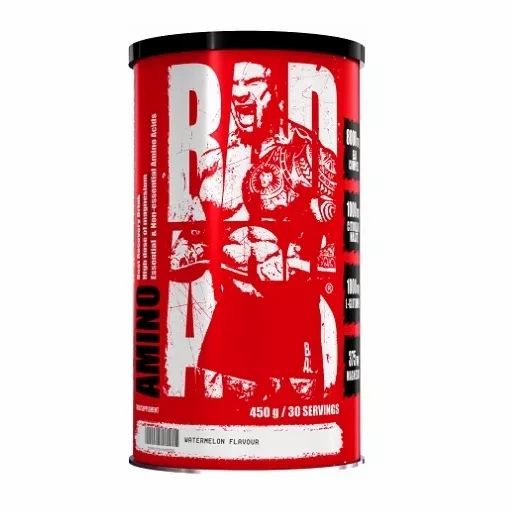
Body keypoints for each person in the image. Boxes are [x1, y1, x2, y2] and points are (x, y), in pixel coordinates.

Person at [171, 62, 337, 400]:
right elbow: (181, 250)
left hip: (292, 316)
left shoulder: (309, 155)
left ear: (276, 91)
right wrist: (204, 252)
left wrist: (294, 263)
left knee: (296, 411)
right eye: (235, 84)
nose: (240, 94)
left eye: (254, 82)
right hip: (234, 314)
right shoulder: (215, 162)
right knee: (227, 410)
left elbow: (342, 243)